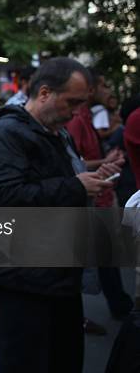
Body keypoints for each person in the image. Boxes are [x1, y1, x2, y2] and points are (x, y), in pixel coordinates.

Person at [0, 57, 117, 373]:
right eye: (72, 102)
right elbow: (4, 198)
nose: (77, 111)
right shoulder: (8, 133)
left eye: (82, 104)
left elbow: (58, 180)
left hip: (58, 277)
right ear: (44, 93)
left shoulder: (56, 132)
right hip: (25, 282)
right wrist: (74, 186)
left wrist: (91, 176)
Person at [66, 69, 134, 324]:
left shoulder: (85, 117)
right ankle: (118, 305)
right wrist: (105, 161)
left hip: (101, 197)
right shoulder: (76, 119)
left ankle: (118, 303)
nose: (108, 92)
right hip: (94, 201)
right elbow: (76, 162)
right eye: (104, 86)